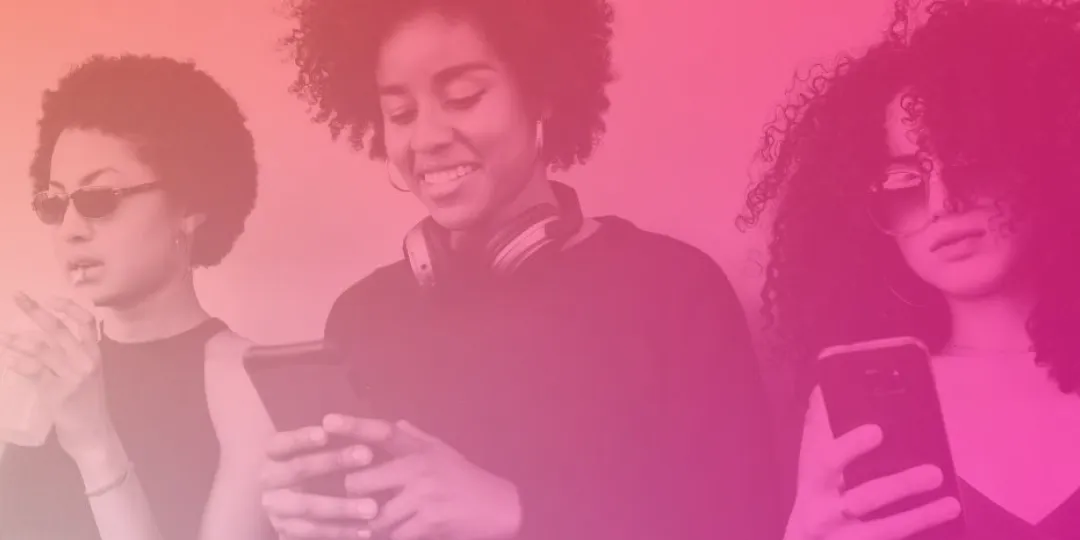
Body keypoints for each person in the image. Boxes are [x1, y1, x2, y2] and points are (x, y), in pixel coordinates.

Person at [259, 1, 783, 539]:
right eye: (400, 113)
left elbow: (748, 524)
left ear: (542, 93)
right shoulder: (361, 318)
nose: (426, 138)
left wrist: (519, 512)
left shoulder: (674, 290)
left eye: (462, 97)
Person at [740, 0, 1080, 538]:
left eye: (970, 159)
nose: (943, 201)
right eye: (902, 181)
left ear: (1046, 158)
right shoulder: (849, 411)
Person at [0, 54, 277, 540]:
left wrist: (93, 442)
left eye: (98, 199)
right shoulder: (48, 373)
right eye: (54, 202)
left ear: (189, 204)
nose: (70, 230)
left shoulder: (247, 382)